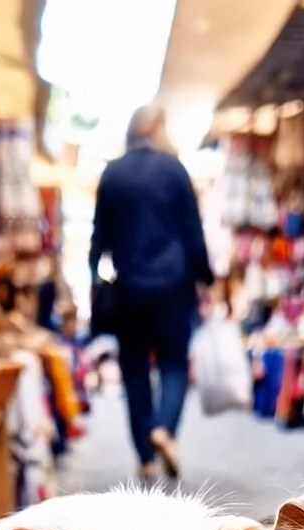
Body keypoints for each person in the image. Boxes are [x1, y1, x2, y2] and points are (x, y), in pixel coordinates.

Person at [89, 104, 214, 480]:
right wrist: (206, 276)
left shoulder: (113, 173)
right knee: (174, 362)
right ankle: (164, 428)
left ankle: (144, 457)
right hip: (174, 286)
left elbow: (100, 237)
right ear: (158, 128)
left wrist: (94, 277)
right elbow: (193, 230)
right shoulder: (175, 170)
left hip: (130, 289)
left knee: (135, 371)